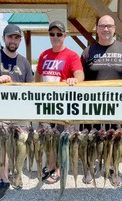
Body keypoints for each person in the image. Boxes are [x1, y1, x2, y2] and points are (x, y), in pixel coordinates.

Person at [80, 15, 122, 185]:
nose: (106, 29)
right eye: (102, 26)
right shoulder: (88, 51)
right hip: (93, 105)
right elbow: (79, 76)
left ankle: (112, 168)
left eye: (109, 26)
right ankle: (90, 167)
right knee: (92, 138)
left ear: (115, 29)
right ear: (97, 29)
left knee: (115, 139)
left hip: (119, 105)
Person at [0, 24, 33, 200]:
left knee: (21, 144)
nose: (13, 40)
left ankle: (17, 173)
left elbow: (31, 87)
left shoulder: (24, 62)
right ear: (4, 38)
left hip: (20, 113)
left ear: (19, 40)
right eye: (10, 37)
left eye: (16, 37)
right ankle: (4, 179)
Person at [35, 20, 84, 184]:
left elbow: (80, 75)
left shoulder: (72, 55)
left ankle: (59, 169)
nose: (55, 37)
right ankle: (50, 165)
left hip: (64, 106)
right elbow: (38, 75)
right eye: (52, 34)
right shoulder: (44, 54)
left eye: (59, 34)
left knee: (62, 139)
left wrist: (73, 80)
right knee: (49, 138)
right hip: (46, 105)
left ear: (65, 35)